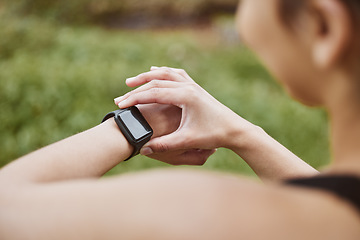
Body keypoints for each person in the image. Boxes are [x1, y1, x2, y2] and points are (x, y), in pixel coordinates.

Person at [1, 0, 360, 239]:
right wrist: (243, 133)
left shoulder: (214, 216)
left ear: (322, 25)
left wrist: (133, 126)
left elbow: (7, 206)